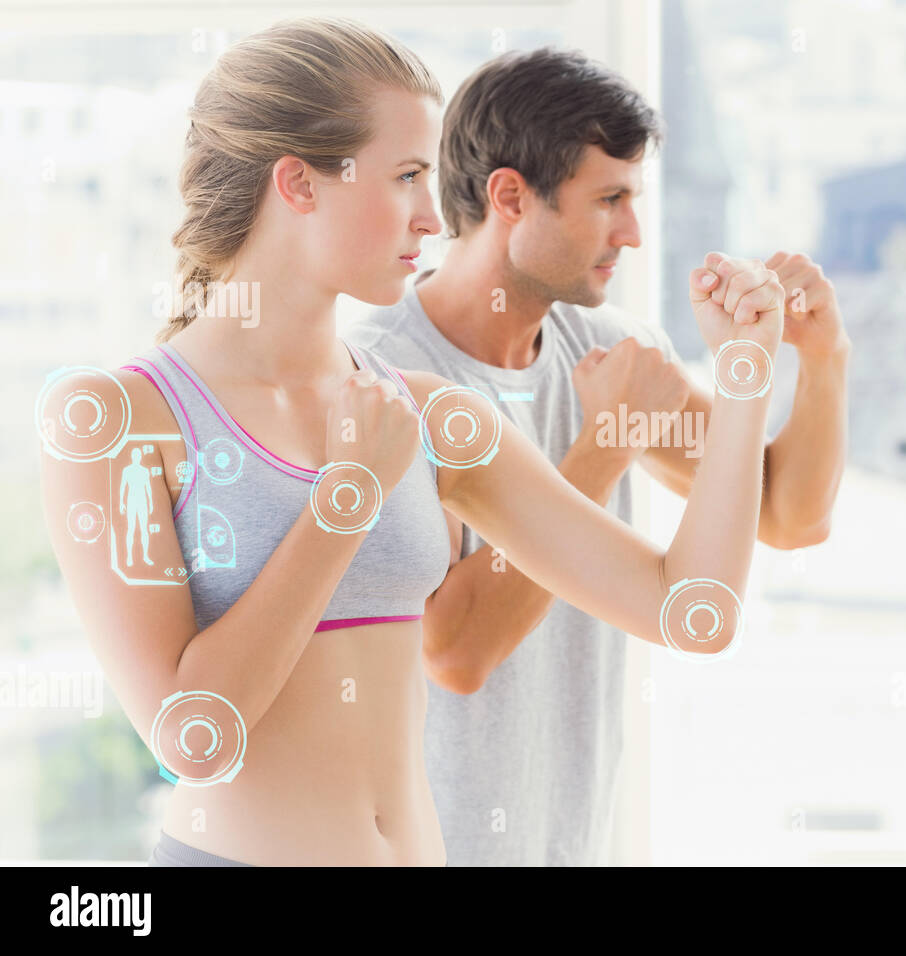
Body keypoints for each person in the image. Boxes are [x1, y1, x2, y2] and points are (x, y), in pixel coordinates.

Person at [37, 17, 783, 866]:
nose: (433, 218)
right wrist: (347, 496)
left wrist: (746, 375)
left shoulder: (423, 414)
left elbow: (690, 608)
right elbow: (194, 737)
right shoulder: (122, 421)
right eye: (406, 177)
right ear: (300, 183)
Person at [346, 47, 850, 866]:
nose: (634, 232)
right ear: (510, 196)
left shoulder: (611, 351)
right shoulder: (385, 380)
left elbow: (788, 516)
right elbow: (456, 650)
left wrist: (821, 359)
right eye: (609, 199)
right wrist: (607, 443)